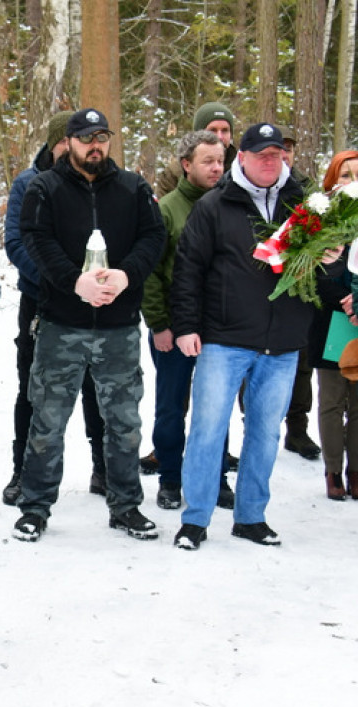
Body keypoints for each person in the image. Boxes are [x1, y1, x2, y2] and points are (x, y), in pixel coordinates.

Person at [170, 123, 342, 550]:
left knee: (265, 432)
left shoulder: (305, 208)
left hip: (281, 342)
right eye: (261, 153)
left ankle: (250, 516)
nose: (270, 159)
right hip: (224, 338)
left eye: (277, 153)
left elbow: (319, 280)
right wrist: (187, 326)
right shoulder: (213, 206)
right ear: (240, 157)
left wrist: (332, 261)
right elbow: (188, 270)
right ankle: (195, 520)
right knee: (208, 430)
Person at [14, 107, 164, 543]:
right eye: (86, 138)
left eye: (102, 137)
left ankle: (126, 506)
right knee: (47, 420)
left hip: (118, 325)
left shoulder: (134, 187)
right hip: (63, 323)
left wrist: (126, 274)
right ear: (70, 142)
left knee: (123, 422)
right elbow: (34, 238)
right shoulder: (45, 187)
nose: (95, 145)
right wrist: (73, 281)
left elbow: (152, 238)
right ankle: (35, 507)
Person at [2, 110, 109, 506]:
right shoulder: (27, 185)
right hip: (42, 302)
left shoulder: (103, 183)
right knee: (32, 389)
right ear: (55, 143)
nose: (78, 147)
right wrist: (62, 281)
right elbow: (17, 244)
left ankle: (104, 468)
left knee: (96, 388)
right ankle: (23, 472)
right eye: (68, 139)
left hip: (96, 305)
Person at [141, 130, 235, 511]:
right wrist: (159, 324)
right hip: (173, 327)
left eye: (221, 161)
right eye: (207, 162)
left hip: (220, 328)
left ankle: (216, 477)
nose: (216, 168)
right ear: (186, 165)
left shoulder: (232, 204)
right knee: (171, 406)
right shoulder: (167, 209)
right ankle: (170, 478)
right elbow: (149, 272)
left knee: (217, 407)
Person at [309, 150, 358, 499]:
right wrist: (344, 297)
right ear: (332, 180)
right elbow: (308, 268)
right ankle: (333, 470)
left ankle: (356, 469)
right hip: (329, 318)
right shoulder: (318, 216)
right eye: (345, 175)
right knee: (331, 399)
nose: (352, 182)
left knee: (357, 402)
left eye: (357, 175)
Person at [276, 124, 320, 461]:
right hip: (264, 284)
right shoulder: (251, 185)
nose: (284, 154)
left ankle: (298, 428)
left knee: (301, 362)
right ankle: (255, 422)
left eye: (288, 148)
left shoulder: (308, 190)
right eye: (278, 148)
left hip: (303, 287)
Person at [153, 101, 236, 199]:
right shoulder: (174, 173)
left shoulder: (241, 170)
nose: (219, 136)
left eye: (225, 130)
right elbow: (162, 210)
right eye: (212, 130)